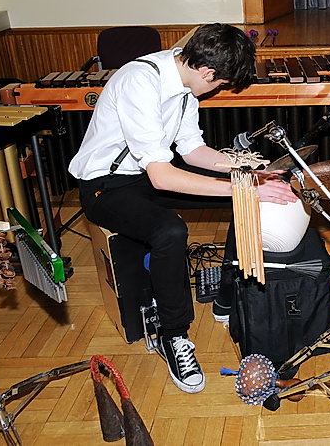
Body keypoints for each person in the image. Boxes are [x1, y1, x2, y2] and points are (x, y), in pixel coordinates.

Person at [69, 23, 297, 393]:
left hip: (144, 176)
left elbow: (192, 151)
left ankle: (227, 296)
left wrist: (248, 169)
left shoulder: (185, 81)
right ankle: (173, 334)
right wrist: (244, 189)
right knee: (170, 230)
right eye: (220, 83)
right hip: (104, 187)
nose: (218, 89)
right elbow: (163, 177)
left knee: (241, 193)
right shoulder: (140, 82)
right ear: (207, 71)